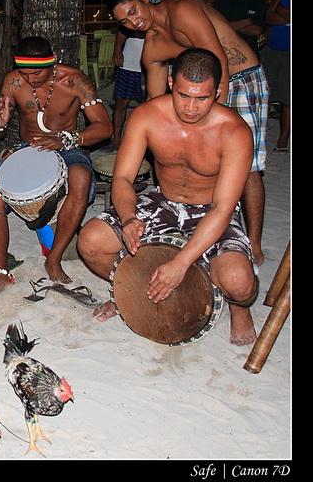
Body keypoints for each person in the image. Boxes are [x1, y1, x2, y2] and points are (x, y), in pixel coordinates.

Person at [77, 48, 259, 345]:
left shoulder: (234, 131)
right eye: (183, 95)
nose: (191, 107)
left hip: (211, 210)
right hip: (164, 201)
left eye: (202, 98)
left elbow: (224, 207)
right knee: (91, 241)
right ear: (171, 83)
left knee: (240, 284)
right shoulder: (147, 116)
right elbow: (122, 178)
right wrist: (128, 218)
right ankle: (131, 291)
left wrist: (181, 262)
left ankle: (239, 310)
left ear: (218, 92)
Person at [107, 0, 269, 265]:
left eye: (133, 11)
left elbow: (218, 60)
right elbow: (154, 104)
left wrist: (216, 121)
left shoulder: (181, 9)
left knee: (249, 166)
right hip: (198, 93)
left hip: (238, 78)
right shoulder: (152, 47)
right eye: (125, 21)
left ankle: (252, 243)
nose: (134, 22)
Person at [0, 36, 112, 294]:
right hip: (26, 147)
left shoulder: (75, 81)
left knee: (81, 177)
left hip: (68, 146)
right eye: (25, 73)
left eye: (37, 73)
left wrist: (65, 139)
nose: (30, 79)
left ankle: (54, 258)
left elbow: (105, 128)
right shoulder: (13, 81)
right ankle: (0, 271)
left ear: (51, 63)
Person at [108, 0, 161, 149]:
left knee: (152, 103)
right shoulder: (130, 1)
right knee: (121, 102)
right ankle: (116, 140)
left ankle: (149, 145)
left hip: (155, 61)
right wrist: (117, 50)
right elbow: (123, 28)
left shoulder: (165, 1)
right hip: (131, 58)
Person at [261, 0, 290, 152]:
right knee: (264, 93)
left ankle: (282, 141)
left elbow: (274, 13)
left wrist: (280, 9)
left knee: (288, 98)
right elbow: (268, 18)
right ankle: (258, 134)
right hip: (272, 49)